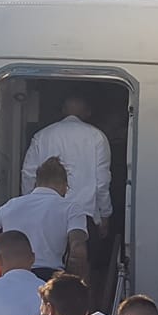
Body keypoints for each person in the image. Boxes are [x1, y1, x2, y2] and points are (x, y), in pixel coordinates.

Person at [0, 157, 87, 281]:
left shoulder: (11, 205)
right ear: (64, 186)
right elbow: (78, 249)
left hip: (12, 279)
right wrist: (74, 282)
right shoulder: (71, 208)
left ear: (36, 183)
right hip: (49, 279)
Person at [20, 95, 112, 238]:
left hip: (46, 213)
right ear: (88, 113)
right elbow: (102, 182)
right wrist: (105, 214)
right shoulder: (97, 137)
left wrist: (30, 207)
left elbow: (28, 174)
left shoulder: (42, 136)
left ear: (63, 110)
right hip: (84, 214)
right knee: (81, 251)